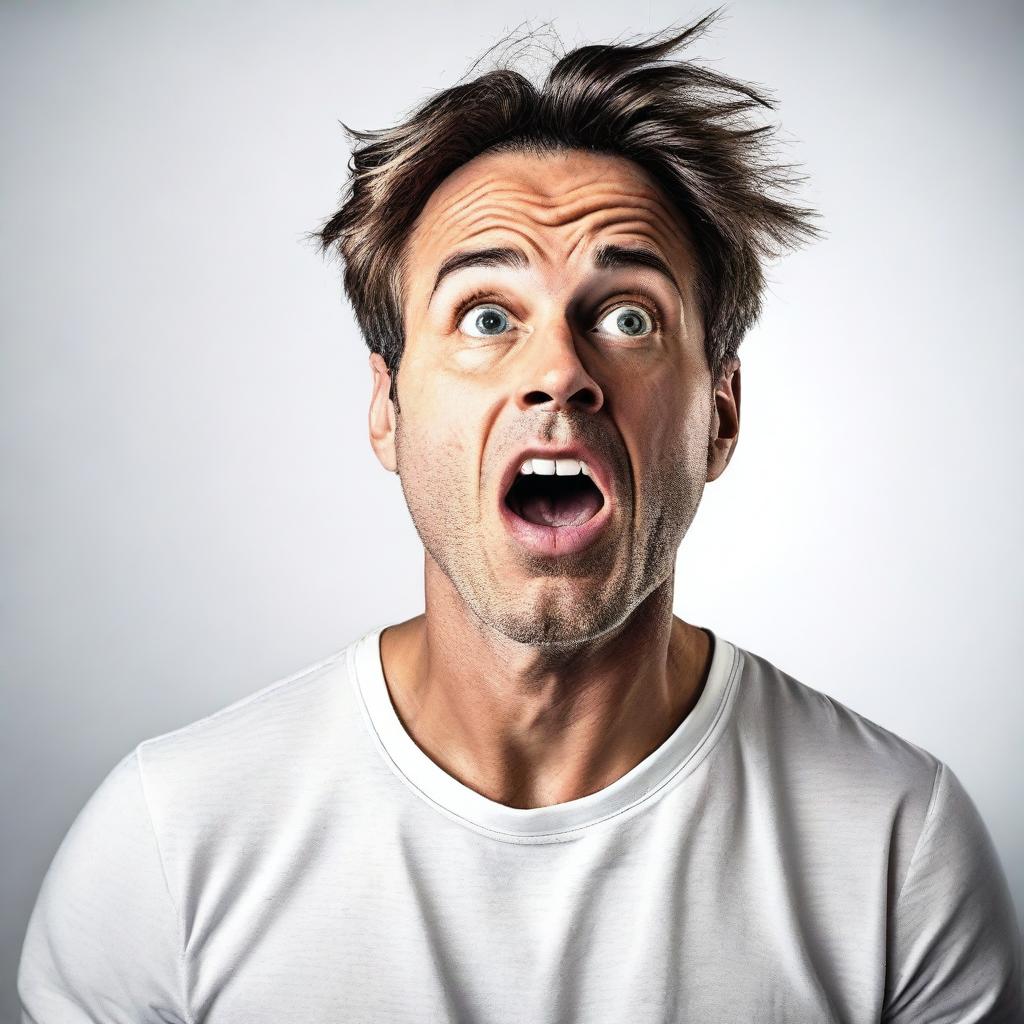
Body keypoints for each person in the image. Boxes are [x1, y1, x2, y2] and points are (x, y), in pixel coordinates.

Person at [18, 11, 1022, 1023]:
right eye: (486, 316)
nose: (557, 373)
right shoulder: (167, 844)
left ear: (719, 414)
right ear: (388, 405)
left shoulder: (898, 852)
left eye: (628, 316)